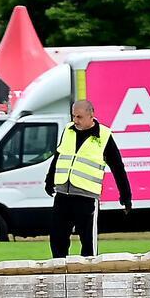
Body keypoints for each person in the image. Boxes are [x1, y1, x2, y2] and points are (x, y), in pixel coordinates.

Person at [45, 98, 130, 259]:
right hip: (63, 195)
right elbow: (58, 156)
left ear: (91, 116)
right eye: (73, 116)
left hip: (87, 198)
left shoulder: (104, 137)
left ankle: (88, 279)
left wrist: (126, 195)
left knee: (88, 245)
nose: (75, 120)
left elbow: (118, 168)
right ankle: (59, 277)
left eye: (79, 117)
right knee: (57, 240)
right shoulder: (68, 131)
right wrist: (49, 180)